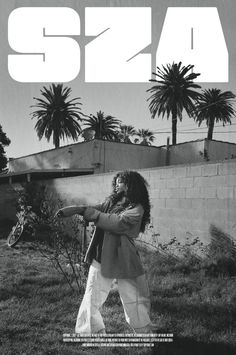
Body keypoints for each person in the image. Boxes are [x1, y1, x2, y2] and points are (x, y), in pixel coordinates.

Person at [56, 170, 153, 334]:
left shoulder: (137, 208)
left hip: (124, 258)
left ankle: (144, 333)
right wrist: (77, 209)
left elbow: (117, 223)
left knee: (134, 298)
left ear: (131, 185)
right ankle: (91, 331)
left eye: (120, 182)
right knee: (92, 295)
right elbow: (95, 210)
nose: (116, 185)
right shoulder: (111, 203)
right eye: (116, 182)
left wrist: (90, 213)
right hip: (101, 256)